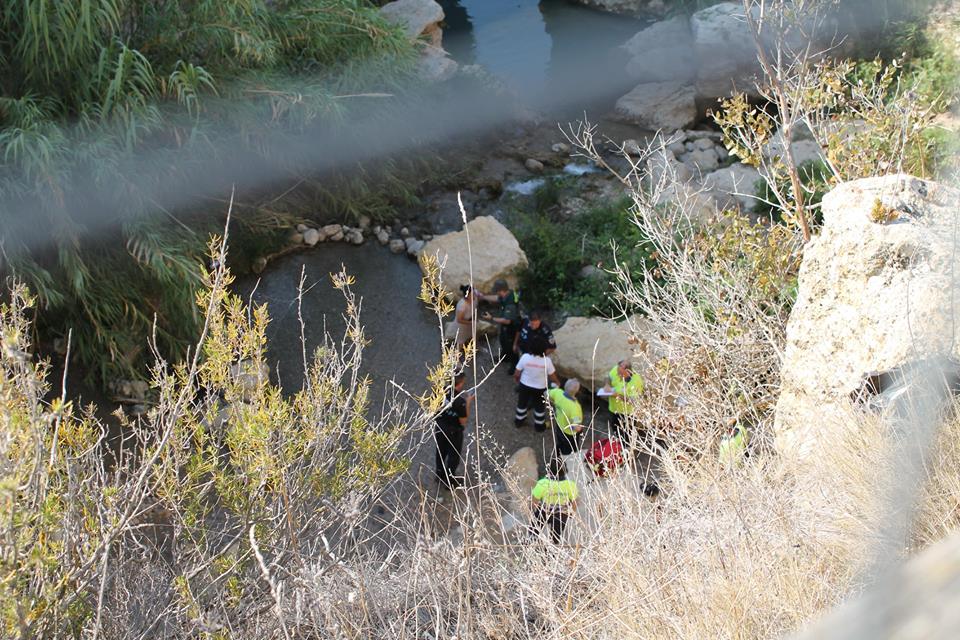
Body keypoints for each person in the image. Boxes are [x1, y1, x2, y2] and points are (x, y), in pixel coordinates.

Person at [434, 372, 474, 489]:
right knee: (453, 457)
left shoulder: (439, 391)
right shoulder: (460, 402)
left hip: (440, 427)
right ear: (460, 384)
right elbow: (463, 421)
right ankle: (449, 481)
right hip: (453, 432)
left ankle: (439, 474)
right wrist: (468, 402)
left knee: (440, 452)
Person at [514, 343, 560, 431]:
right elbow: (552, 375)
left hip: (524, 385)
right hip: (540, 387)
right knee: (539, 406)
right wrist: (557, 382)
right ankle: (539, 426)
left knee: (522, 403)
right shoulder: (547, 361)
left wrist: (517, 379)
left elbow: (517, 372)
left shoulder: (525, 357)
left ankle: (519, 421)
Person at [480, 279, 521, 374]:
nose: (496, 293)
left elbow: (507, 320)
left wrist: (491, 318)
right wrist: (483, 297)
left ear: (501, 290)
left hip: (512, 328)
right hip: (505, 326)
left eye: (497, 291)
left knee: (512, 347)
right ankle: (504, 356)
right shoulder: (507, 293)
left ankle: (514, 366)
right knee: (503, 340)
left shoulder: (510, 303)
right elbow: (497, 298)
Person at [530, 461, 578, 543]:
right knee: (555, 537)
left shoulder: (543, 483)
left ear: (549, 470)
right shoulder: (570, 485)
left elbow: (534, 502)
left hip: (545, 510)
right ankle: (552, 551)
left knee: (534, 530)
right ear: (565, 470)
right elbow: (575, 503)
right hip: (561, 513)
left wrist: (532, 512)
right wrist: (570, 514)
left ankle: (532, 541)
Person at [607, 358, 644, 444]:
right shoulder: (617, 369)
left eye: (621, 374)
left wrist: (617, 395)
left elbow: (634, 401)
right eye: (618, 372)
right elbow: (609, 377)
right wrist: (607, 385)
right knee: (616, 432)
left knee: (627, 436)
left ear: (628, 372)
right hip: (613, 410)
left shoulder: (636, 382)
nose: (618, 375)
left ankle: (627, 451)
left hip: (627, 414)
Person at [548, 378, 585, 462]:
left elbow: (546, 393)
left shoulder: (557, 392)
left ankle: (557, 459)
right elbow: (576, 427)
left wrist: (553, 401)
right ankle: (568, 464)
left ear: (565, 386)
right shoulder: (574, 407)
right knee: (570, 450)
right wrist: (580, 428)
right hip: (569, 433)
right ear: (577, 390)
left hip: (559, 425)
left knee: (560, 444)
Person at [454, 285, 477, 352]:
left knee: (475, 334)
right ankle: (456, 358)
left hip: (470, 321)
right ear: (467, 295)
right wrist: (471, 323)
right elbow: (459, 320)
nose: (475, 295)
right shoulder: (462, 305)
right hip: (462, 326)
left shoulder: (474, 299)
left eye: (474, 293)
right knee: (460, 342)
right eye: (473, 294)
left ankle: (476, 347)